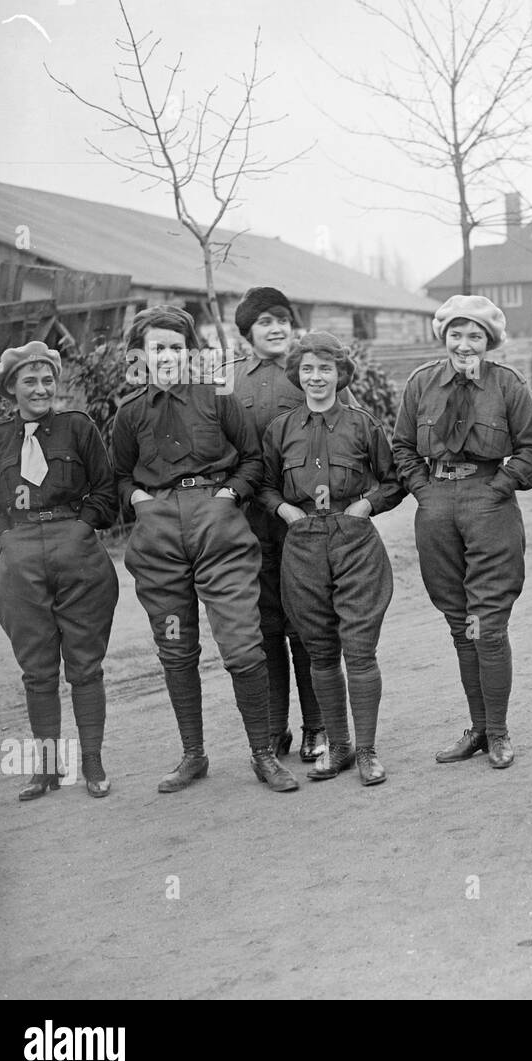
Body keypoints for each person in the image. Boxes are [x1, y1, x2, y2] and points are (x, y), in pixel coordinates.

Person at [110, 305, 297, 793]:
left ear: (190, 352)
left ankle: (262, 754)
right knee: (175, 646)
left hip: (219, 527)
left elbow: (253, 459)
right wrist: (142, 504)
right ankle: (193, 755)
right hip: (159, 538)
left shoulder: (218, 397)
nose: (168, 356)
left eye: (176, 347)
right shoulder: (130, 412)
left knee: (240, 640)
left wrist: (227, 496)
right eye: (157, 349)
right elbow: (120, 475)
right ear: (141, 356)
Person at [392, 296, 532, 769]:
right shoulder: (421, 384)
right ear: (444, 338)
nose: (464, 344)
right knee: (460, 625)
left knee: (489, 626)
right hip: (436, 504)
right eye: (456, 334)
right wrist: (423, 490)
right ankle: (476, 729)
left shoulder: (508, 385)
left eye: (475, 335)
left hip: (489, 502)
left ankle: (498, 733)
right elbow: (400, 445)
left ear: (489, 342)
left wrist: (498, 487)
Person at [0, 342, 120, 799]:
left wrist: (81, 529)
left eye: (47, 380)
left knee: (84, 664)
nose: (41, 389)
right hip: (19, 554)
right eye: (29, 381)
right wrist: (3, 537)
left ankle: (93, 764)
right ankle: (47, 768)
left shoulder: (78, 427)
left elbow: (105, 489)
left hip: (75, 547)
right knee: (37, 670)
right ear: (10, 389)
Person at [260, 332, 404, 784]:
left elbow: (393, 479)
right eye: (308, 369)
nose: (317, 377)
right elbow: (263, 485)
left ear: (341, 374)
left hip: (354, 542)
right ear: (297, 375)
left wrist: (365, 507)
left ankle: (366, 751)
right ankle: (338, 746)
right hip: (302, 545)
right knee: (320, 650)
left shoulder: (362, 425)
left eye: (326, 368)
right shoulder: (280, 430)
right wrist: (285, 512)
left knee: (360, 650)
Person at [232, 287, 325, 762]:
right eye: (265, 321)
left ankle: (317, 725)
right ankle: (274, 728)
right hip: (248, 523)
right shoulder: (227, 383)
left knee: (305, 624)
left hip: (303, 520)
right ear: (247, 331)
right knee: (263, 626)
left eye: (283, 319)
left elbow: (343, 433)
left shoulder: (312, 373)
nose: (276, 328)